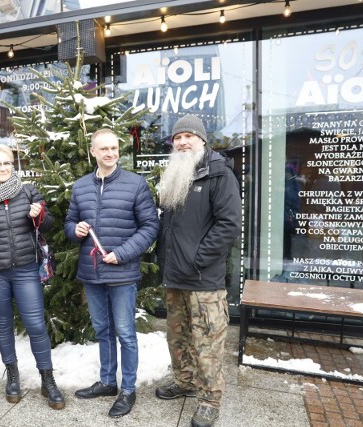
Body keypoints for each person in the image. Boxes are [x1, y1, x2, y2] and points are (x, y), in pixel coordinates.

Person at [64, 128, 159, 418]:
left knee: (126, 334)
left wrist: (123, 254)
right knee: (103, 331)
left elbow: (150, 227)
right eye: (103, 148)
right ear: (93, 151)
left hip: (122, 273)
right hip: (92, 273)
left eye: (114, 148)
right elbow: (69, 222)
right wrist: (75, 230)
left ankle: (127, 389)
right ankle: (107, 382)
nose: (110, 153)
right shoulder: (80, 186)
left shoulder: (135, 184)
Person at [0, 144, 65, 410]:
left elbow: (50, 225)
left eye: (7, 163)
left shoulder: (28, 191)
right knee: (3, 323)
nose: (3, 168)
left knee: (35, 325)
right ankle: (13, 375)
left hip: (26, 270)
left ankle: (47, 378)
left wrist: (40, 215)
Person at [155, 115, 242, 427]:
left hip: (204, 279)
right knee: (177, 338)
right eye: (178, 137)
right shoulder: (175, 174)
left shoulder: (219, 174)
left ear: (202, 140)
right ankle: (185, 381)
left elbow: (229, 225)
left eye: (189, 136)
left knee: (207, 343)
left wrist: (197, 259)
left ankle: (209, 400)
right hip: (175, 277)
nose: (182, 142)